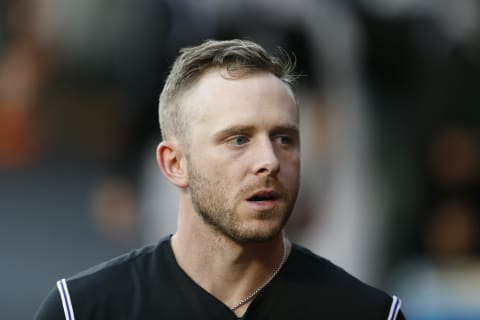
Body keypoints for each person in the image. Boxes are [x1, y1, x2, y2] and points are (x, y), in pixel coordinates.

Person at [34, 39, 406, 319]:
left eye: (284, 139)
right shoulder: (83, 310)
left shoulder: (368, 314)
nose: (270, 161)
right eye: (239, 139)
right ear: (175, 164)